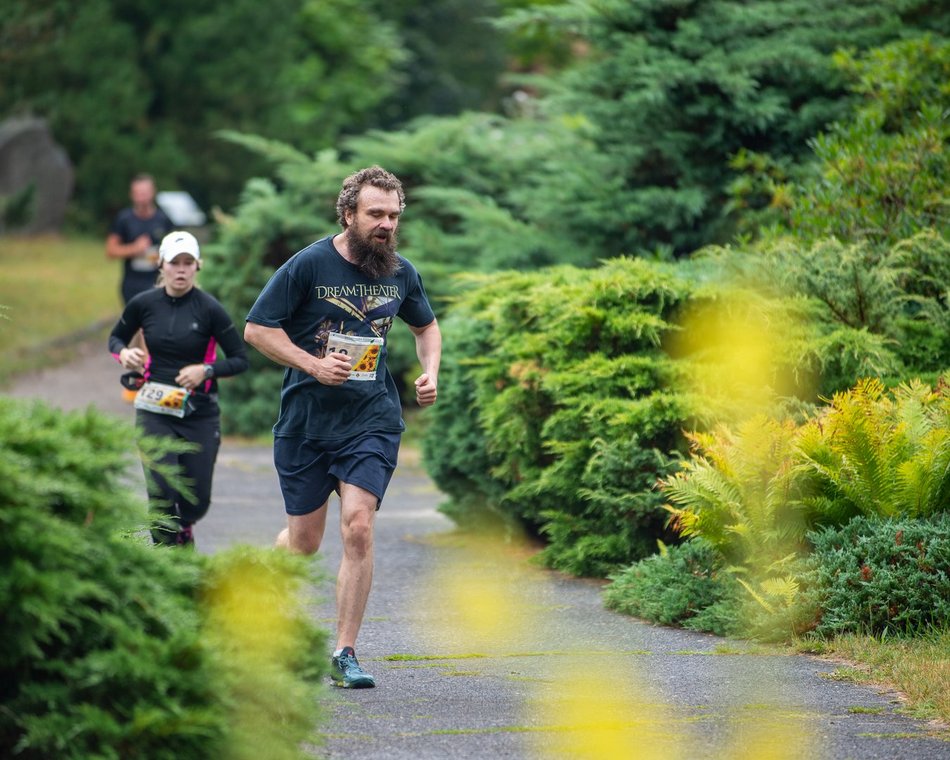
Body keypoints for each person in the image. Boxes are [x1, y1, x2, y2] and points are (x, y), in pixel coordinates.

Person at [244, 166, 441, 689]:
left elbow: (426, 326)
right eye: (376, 214)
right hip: (306, 424)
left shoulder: (400, 272)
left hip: (371, 420)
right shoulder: (308, 265)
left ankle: (344, 652)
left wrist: (430, 372)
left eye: (394, 216)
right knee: (304, 544)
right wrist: (312, 365)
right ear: (349, 213)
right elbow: (257, 329)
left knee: (358, 524)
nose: (386, 225)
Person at [109, 230, 249, 547]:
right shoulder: (143, 304)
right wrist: (124, 354)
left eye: (188, 262)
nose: (181, 269)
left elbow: (240, 360)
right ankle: (165, 558)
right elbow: (115, 339)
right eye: (175, 262)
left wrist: (206, 370)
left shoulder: (210, 309)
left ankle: (184, 529)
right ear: (161, 265)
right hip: (154, 409)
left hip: (199, 412)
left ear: (198, 266)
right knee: (161, 489)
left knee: (196, 499)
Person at [106, 174, 173, 401]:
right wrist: (134, 248)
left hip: (156, 283)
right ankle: (140, 376)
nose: (142, 197)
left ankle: (146, 379)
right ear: (132, 195)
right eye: (138, 193)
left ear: (152, 193)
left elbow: (172, 249)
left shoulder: (163, 219)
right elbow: (111, 251)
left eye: (146, 192)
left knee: (149, 329)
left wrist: (161, 259)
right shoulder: (124, 219)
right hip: (132, 284)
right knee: (137, 331)